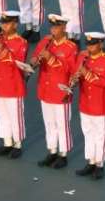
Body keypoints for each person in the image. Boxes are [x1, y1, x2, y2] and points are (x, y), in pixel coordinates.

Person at [72, 32, 105, 180]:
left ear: (100, 44)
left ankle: (99, 164)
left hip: (100, 104)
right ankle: (91, 161)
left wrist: (86, 74)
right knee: (88, 133)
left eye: (93, 45)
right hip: (85, 102)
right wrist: (75, 79)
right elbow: (76, 72)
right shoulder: (83, 57)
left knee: (100, 135)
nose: (89, 48)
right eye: (88, 45)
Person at [32, 15, 79, 169]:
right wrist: (34, 61)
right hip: (45, 89)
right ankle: (52, 151)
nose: (53, 30)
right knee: (49, 123)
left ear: (64, 28)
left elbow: (70, 69)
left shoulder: (71, 47)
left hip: (60, 92)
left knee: (62, 124)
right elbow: (35, 56)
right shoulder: (45, 42)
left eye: (56, 27)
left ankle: (63, 154)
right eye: (52, 27)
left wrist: (51, 59)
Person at [0, 12, 30, 158]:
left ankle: (17, 144)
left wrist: (3, 50)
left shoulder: (21, 42)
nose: (4, 26)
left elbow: (19, 63)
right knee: (1, 114)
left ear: (15, 24)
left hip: (13, 84)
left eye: (7, 23)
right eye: (3, 23)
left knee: (15, 116)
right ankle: (7, 142)